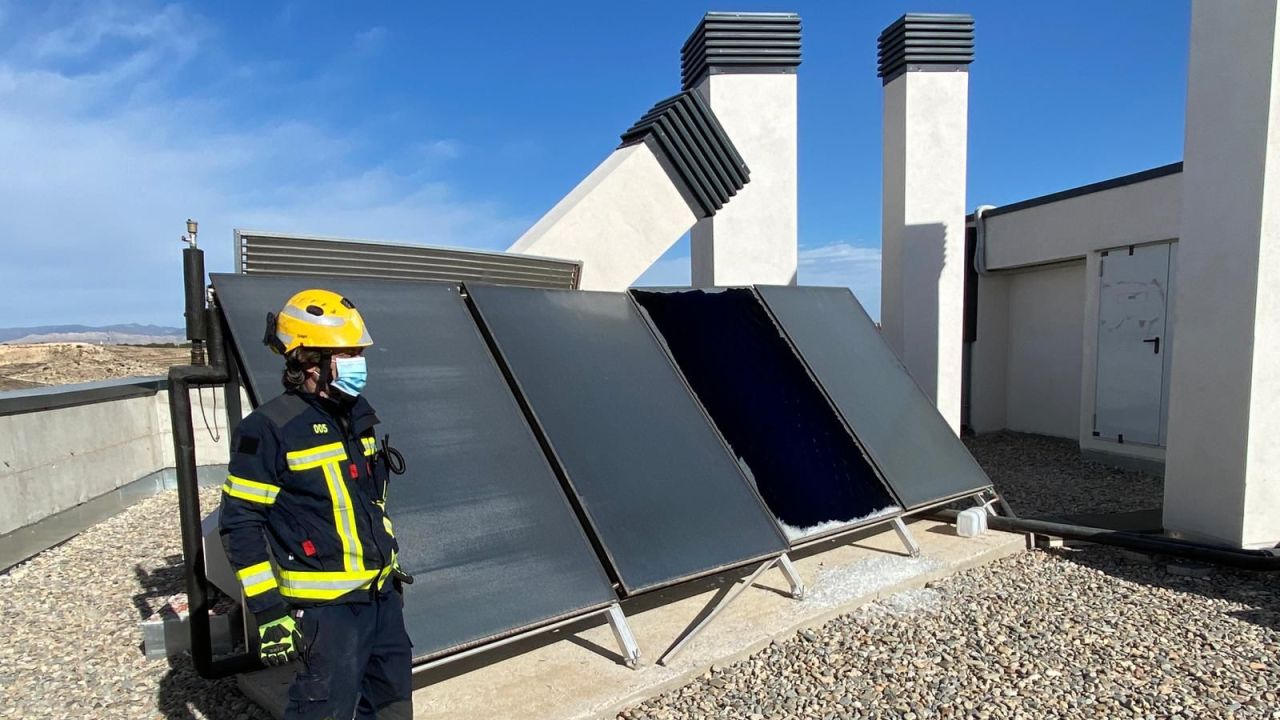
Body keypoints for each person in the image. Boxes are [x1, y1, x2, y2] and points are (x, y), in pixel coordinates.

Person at [219, 288, 412, 719]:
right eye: (347, 354)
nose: (359, 363)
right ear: (309, 361)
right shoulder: (268, 429)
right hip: (328, 613)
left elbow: (367, 503)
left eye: (359, 353)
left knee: (392, 708)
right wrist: (268, 611)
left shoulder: (357, 414)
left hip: (381, 597)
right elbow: (240, 522)